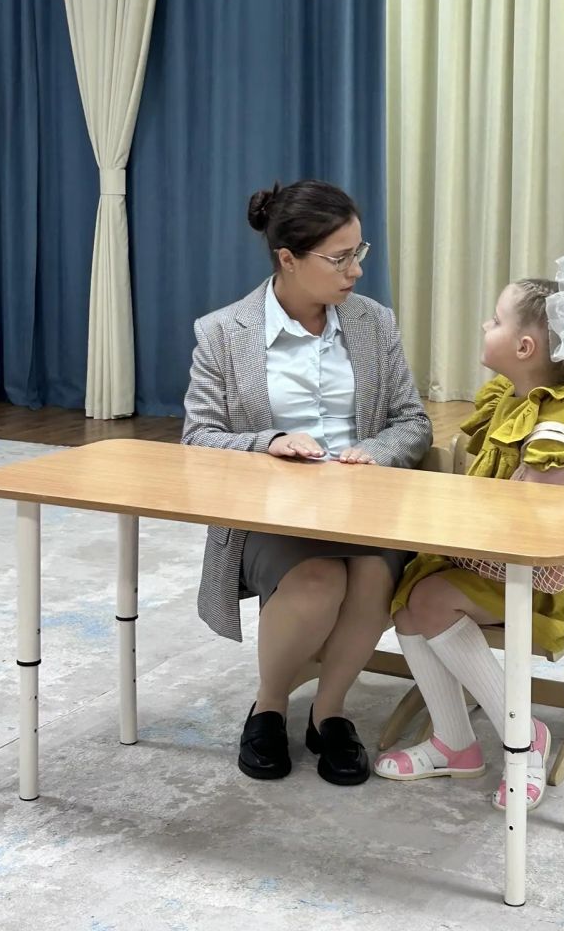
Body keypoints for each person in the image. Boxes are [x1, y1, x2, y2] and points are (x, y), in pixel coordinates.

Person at [374, 251, 564, 810]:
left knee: (429, 599)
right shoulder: (515, 402)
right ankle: (455, 744)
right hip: (505, 563)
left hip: (553, 582)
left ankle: (525, 739)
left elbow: (544, 547)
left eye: (496, 320)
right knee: (408, 600)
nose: (486, 325)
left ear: (525, 347)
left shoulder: (553, 432)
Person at [182, 179, 432, 787]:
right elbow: (198, 438)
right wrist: (267, 442)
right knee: (318, 581)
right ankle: (269, 705)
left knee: (372, 577)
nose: (355, 271)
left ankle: (330, 712)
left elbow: (412, 421)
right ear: (288, 259)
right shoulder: (223, 333)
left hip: (364, 506)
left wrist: (373, 452)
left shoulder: (373, 323)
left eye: (358, 253)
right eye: (339, 258)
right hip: (273, 513)